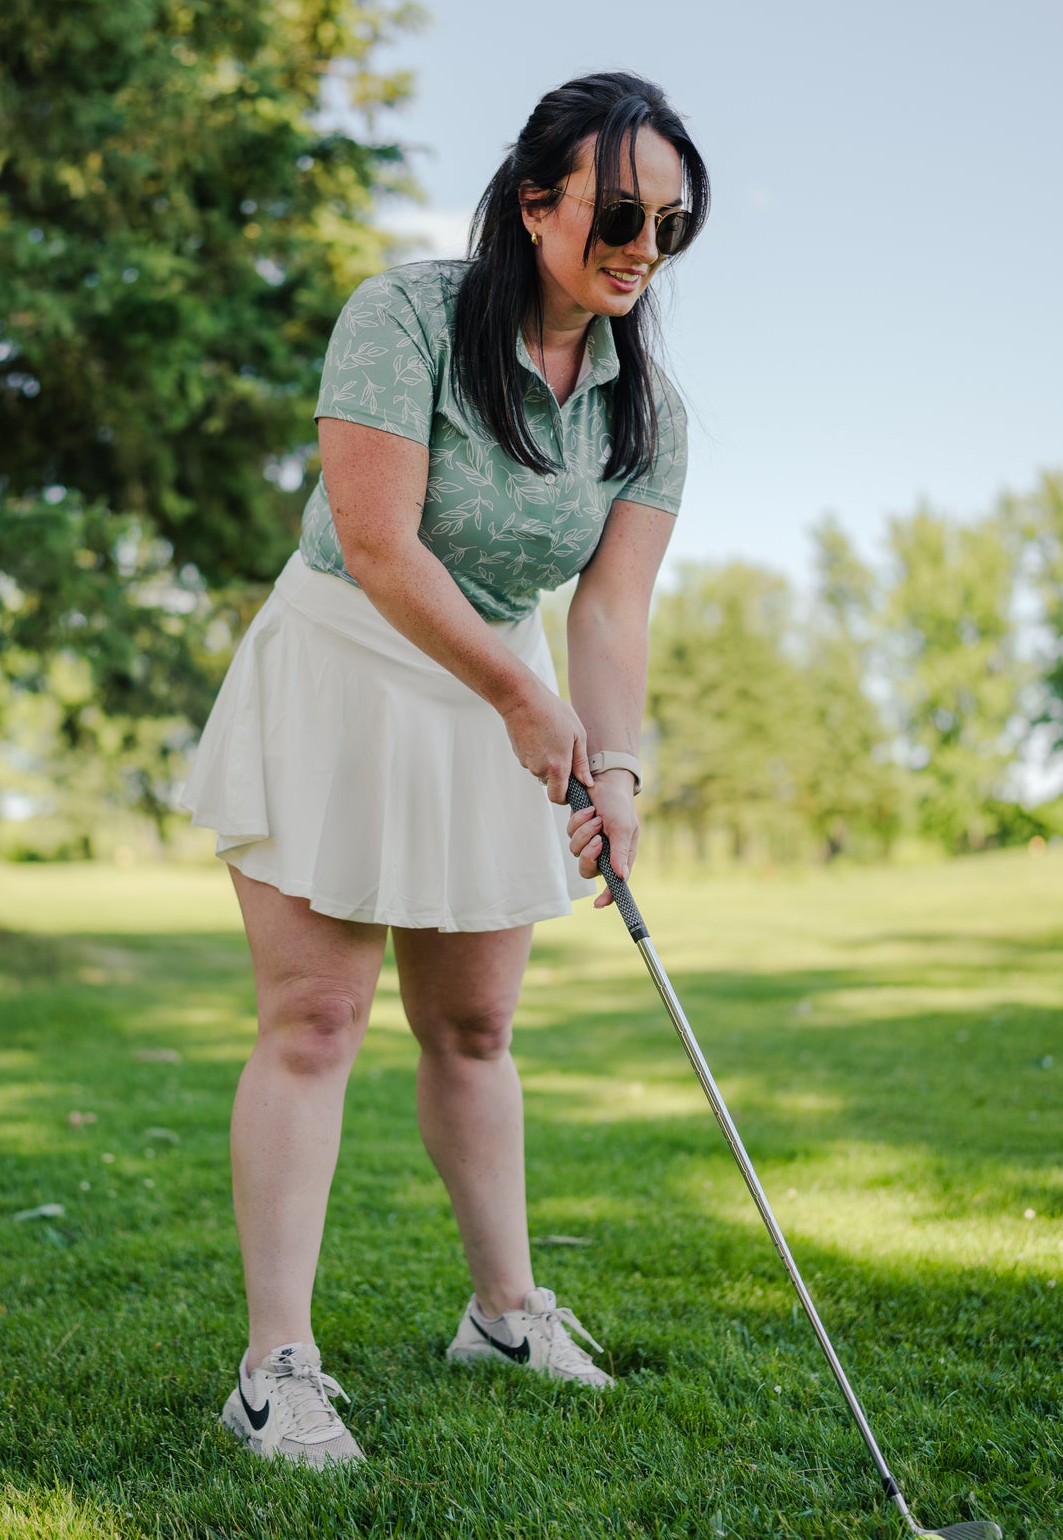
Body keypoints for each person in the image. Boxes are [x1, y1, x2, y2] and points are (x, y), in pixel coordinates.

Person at [180, 70, 710, 1465]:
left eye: (670, 223)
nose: (639, 247)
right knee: (314, 1021)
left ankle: (502, 1310)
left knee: (474, 1030)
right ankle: (272, 1370)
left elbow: (606, 613)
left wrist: (620, 771)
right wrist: (519, 703)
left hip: (500, 696)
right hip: (350, 665)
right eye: (615, 213)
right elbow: (377, 543)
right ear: (534, 203)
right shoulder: (402, 315)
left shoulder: (643, 408)